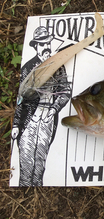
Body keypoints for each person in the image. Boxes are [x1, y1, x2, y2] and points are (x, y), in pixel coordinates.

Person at [12, 26, 71, 186]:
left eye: (47, 44)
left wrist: (54, 109)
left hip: (46, 123)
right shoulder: (28, 68)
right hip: (29, 122)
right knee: (25, 161)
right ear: (36, 46)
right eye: (42, 44)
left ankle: (35, 188)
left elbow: (66, 91)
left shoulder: (58, 67)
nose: (46, 47)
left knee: (40, 163)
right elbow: (20, 98)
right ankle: (24, 189)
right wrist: (17, 124)